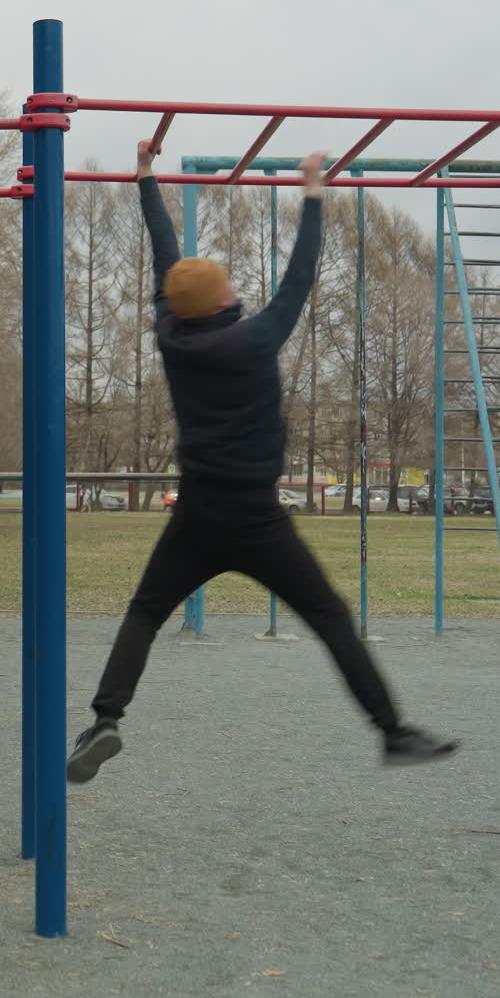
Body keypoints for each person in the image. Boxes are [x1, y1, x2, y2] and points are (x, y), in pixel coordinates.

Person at [67, 142, 459, 783]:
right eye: (226, 285)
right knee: (330, 618)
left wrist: (144, 177)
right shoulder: (254, 339)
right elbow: (299, 277)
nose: (235, 288)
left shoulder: (172, 334)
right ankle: (393, 731)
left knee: (144, 613)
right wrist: (314, 194)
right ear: (221, 301)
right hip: (256, 518)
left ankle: (106, 718)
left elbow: (167, 260)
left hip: (195, 514)